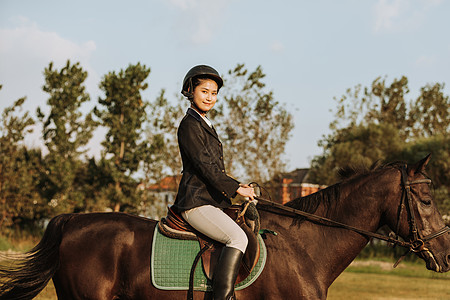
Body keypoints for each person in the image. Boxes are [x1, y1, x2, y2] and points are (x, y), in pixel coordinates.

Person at [173, 65, 256, 300]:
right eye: (205, 91)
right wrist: (236, 187)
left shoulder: (205, 124)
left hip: (212, 202)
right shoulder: (189, 125)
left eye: (214, 93)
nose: (210, 97)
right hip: (195, 202)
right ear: (190, 91)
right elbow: (205, 167)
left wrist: (238, 188)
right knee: (237, 238)